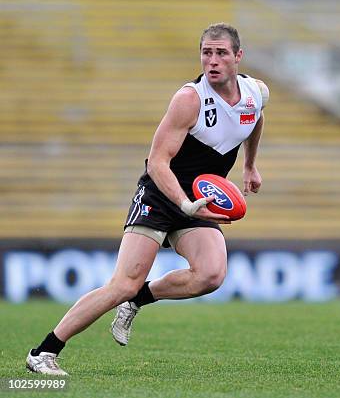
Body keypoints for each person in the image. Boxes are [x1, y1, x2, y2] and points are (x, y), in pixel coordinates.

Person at [26, 23, 269, 376]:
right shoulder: (190, 99)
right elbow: (157, 162)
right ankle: (44, 352)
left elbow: (255, 119)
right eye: (206, 53)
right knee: (122, 282)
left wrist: (250, 165)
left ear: (238, 57)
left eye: (221, 53)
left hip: (200, 196)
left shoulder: (256, 92)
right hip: (161, 193)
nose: (212, 61)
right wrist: (183, 205)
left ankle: (137, 301)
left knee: (211, 275)